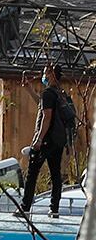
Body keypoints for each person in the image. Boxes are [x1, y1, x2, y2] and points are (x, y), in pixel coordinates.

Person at [21, 62, 76, 215]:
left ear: (52, 75)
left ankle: (25, 207)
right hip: (58, 141)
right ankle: (54, 209)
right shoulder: (61, 93)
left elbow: (47, 116)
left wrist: (38, 139)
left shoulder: (48, 93)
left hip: (46, 140)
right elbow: (43, 105)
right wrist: (30, 90)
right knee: (56, 175)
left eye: (45, 73)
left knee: (32, 172)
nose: (43, 76)